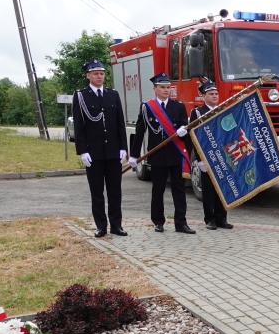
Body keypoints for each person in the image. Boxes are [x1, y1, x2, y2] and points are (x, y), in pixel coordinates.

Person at [128, 73, 195, 234]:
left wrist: (183, 131)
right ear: (155, 89)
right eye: (163, 87)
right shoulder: (147, 107)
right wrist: (134, 155)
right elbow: (140, 131)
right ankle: (158, 221)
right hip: (157, 155)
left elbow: (185, 129)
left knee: (179, 190)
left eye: (168, 87)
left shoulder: (178, 106)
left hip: (175, 154)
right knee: (158, 190)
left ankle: (181, 223)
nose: (166, 90)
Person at [72, 60, 128, 238]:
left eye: (102, 73)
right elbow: (79, 125)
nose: (99, 76)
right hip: (93, 152)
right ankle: (101, 226)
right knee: (97, 192)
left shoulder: (113, 94)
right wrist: (82, 151)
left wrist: (123, 147)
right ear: (88, 75)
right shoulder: (81, 95)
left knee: (115, 191)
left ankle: (116, 225)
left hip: (112, 151)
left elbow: (120, 123)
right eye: (95, 73)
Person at [189, 80, 233, 231]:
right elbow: (193, 137)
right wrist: (199, 160)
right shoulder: (197, 113)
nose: (215, 96)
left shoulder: (222, 110)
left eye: (216, 94)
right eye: (211, 94)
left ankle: (222, 218)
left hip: (222, 155)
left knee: (223, 187)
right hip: (206, 156)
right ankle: (210, 219)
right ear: (203, 96)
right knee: (208, 189)